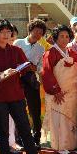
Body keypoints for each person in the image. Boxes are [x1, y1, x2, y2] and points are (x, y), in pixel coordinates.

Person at [0, 19, 51, 154]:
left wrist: (25, 70)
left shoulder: (16, 50)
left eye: (8, 32)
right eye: (2, 32)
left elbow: (25, 68)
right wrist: (1, 74)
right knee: (3, 130)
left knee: (25, 127)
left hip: (16, 94)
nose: (6, 35)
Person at [42, 25, 77, 154]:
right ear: (55, 38)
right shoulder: (50, 53)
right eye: (61, 36)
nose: (64, 39)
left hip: (71, 91)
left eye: (67, 36)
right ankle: (59, 145)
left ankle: (70, 143)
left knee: (69, 116)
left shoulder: (71, 52)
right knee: (58, 118)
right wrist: (55, 91)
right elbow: (47, 72)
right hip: (58, 92)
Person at [14, 19, 47, 147]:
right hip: (17, 78)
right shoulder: (18, 42)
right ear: (30, 29)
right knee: (19, 109)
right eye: (36, 30)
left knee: (35, 110)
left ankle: (36, 138)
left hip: (31, 79)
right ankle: (19, 139)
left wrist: (33, 67)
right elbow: (13, 61)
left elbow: (40, 67)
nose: (38, 33)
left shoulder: (41, 48)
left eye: (41, 32)